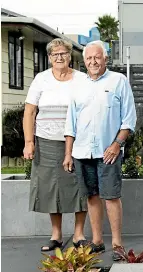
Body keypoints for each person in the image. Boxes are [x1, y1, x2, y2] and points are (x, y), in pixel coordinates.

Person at [63, 40, 137, 260]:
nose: (93, 61)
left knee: (111, 196)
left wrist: (116, 145)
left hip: (108, 153)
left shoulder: (119, 81)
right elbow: (70, 124)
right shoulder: (77, 85)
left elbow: (129, 119)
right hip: (82, 152)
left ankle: (116, 244)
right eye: (89, 58)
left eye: (97, 57)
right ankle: (96, 241)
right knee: (92, 197)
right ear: (84, 61)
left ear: (105, 59)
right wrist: (68, 153)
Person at [23, 38, 89, 251]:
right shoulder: (41, 79)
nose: (59, 57)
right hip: (46, 142)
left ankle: (79, 234)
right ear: (50, 58)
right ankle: (56, 235)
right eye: (55, 54)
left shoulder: (81, 79)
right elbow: (30, 112)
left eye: (63, 53)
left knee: (80, 186)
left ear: (70, 56)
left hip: (78, 141)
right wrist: (29, 142)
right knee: (52, 188)